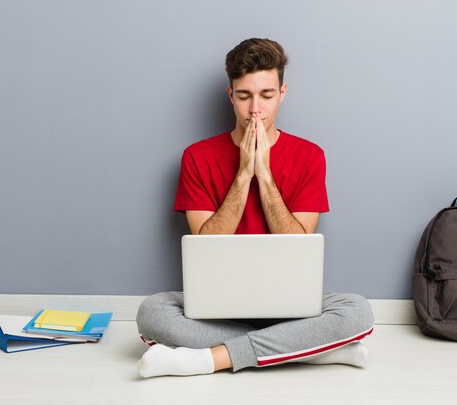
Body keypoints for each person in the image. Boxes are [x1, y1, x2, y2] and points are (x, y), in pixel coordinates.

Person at [136, 38, 374, 378]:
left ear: (283, 93)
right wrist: (243, 172)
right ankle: (308, 351)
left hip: (290, 309)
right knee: (152, 312)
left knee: (357, 311)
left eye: (266, 95)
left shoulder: (310, 156)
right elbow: (206, 246)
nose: (255, 110)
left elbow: (298, 244)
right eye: (245, 96)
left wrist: (264, 175)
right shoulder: (197, 157)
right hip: (218, 307)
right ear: (231, 95)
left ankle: (207, 359)